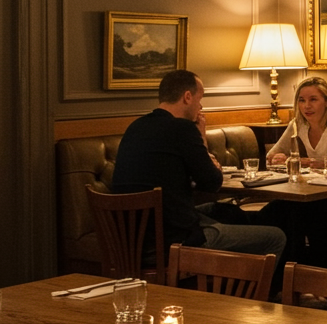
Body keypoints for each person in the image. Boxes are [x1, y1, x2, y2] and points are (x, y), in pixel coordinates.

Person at [111, 70, 285, 263]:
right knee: (275, 237)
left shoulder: (136, 127)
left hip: (132, 239)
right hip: (174, 241)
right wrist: (203, 142)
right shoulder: (182, 129)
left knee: (222, 211)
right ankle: (257, 292)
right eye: (200, 98)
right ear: (187, 97)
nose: (200, 106)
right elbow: (212, 182)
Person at [260, 76, 327, 267]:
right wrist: (280, 158)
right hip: (311, 193)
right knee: (282, 209)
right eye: (301, 100)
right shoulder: (298, 123)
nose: (307, 106)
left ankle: (313, 275)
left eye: (313, 99)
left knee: (303, 212)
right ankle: (288, 275)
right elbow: (271, 155)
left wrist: (305, 162)